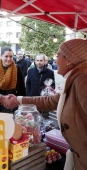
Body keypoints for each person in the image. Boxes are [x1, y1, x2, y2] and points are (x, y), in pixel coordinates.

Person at [17, 39, 87, 170]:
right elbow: (52, 101)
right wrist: (19, 100)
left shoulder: (82, 80)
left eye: (58, 55)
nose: (55, 60)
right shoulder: (74, 78)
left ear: (69, 60)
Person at [0, 46, 26, 116]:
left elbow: (22, 89)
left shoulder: (17, 69)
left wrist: (24, 106)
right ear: (1, 56)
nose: (9, 59)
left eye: (11, 56)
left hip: (14, 106)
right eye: (6, 56)